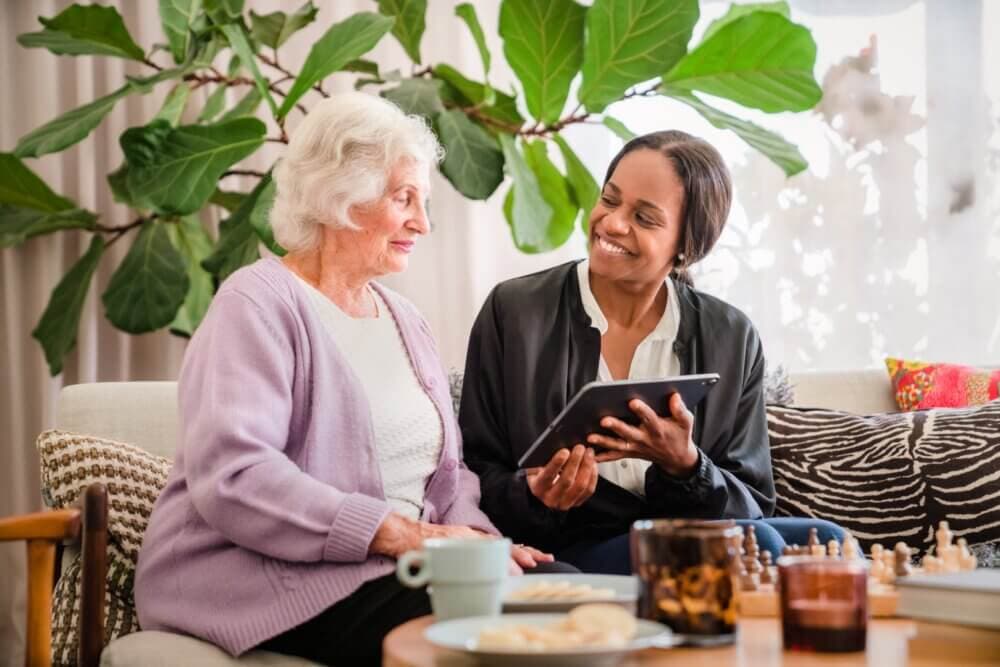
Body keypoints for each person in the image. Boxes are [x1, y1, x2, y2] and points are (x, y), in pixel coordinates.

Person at [134, 92, 561, 666]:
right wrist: (408, 536)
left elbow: (448, 475)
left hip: (396, 565)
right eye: (404, 198)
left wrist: (478, 542)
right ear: (342, 197)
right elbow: (236, 476)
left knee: (575, 597)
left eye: (424, 201)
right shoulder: (256, 305)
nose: (423, 223)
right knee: (490, 631)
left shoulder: (404, 319)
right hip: (267, 575)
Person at [460, 130, 844, 575]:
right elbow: (471, 470)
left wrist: (685, 465)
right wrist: (537, 494)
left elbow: (753, 501)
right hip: (567, 543)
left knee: (830, 543)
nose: (612, 223)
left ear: (686, 245)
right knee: (757, 546)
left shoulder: (730, 335)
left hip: (689, 530)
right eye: (610, 200)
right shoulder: (515, 312)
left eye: (644, 218)